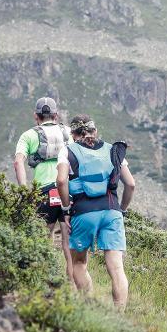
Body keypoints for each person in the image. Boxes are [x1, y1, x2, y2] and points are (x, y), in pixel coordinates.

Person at [56, 115, 135, 310]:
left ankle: (90, 308)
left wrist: (66, 209)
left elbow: (61, 181)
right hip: (112, 211)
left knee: (78, 263)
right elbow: (131, 184)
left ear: (73, 135)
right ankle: (119, 316)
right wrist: (122, 210)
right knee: (116, 267)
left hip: (82, 212)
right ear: (95, 131)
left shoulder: (67, 151)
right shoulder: (113, 150)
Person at [13, 97, 75, 282]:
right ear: (56, 115)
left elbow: (18, 162)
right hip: (67, 192)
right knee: (68, 243)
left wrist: (25, 190)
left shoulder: (28, 135)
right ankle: (72, 285)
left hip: (43, 193)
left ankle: (41, 281)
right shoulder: (69, 133)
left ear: (36, 116)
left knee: (41, 240)